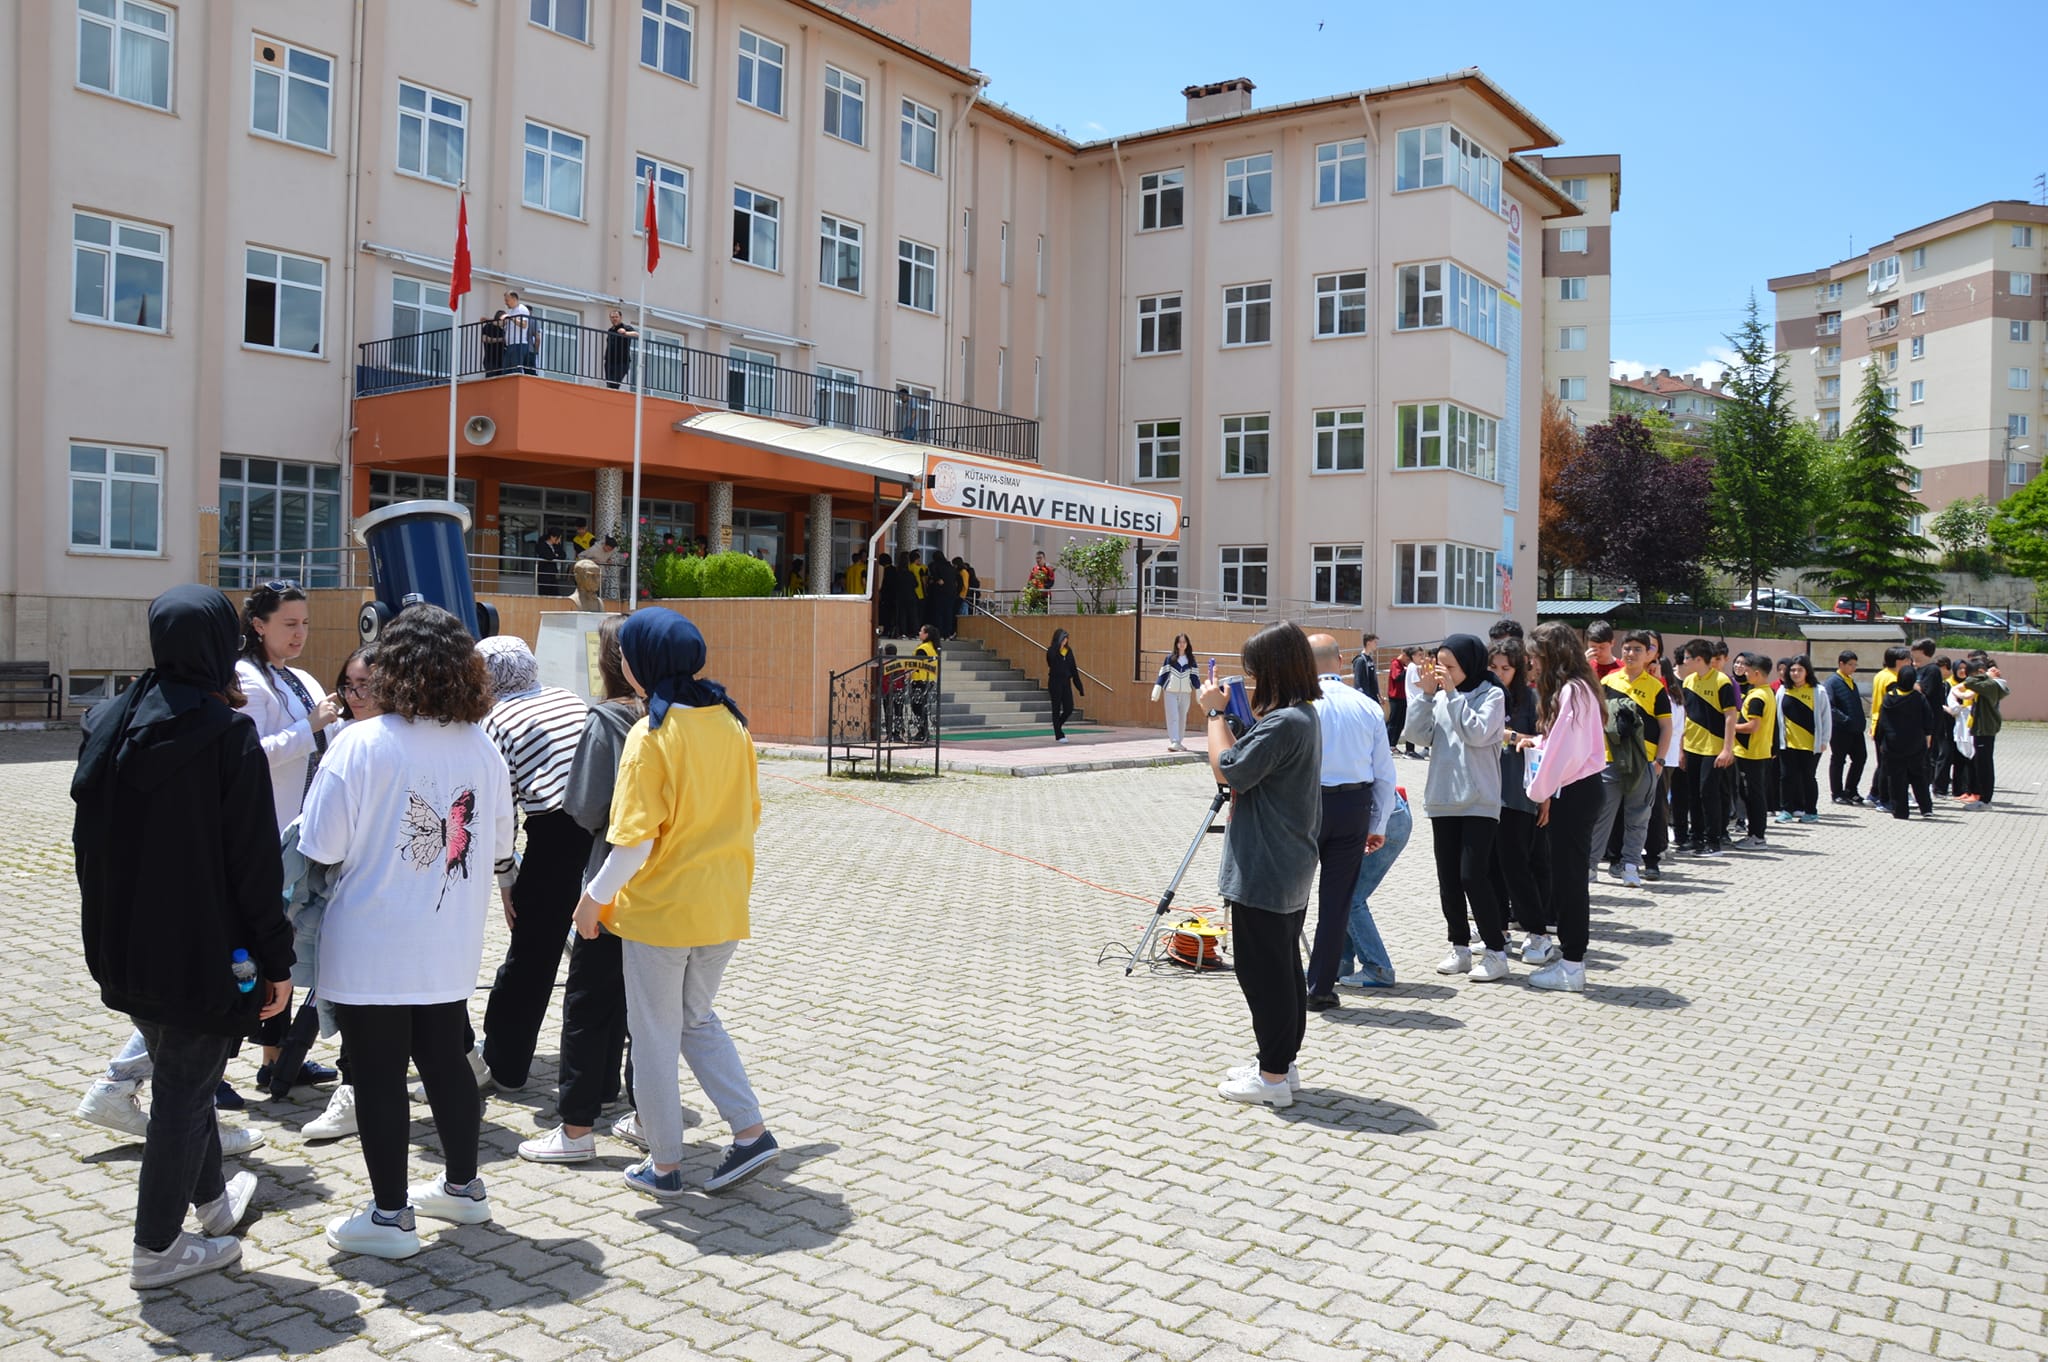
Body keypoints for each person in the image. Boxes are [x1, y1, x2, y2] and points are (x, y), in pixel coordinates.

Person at [74, 585, 295, 1288]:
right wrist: (277, 960)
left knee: (187, 1077)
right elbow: (255, 864)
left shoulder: (108, 719)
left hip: (125, 944)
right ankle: (157, 1250)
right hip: (206, 951)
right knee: (182, 1089)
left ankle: (214, 1206)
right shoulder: (226, 735)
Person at [300, 605, 516, 1260]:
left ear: (390, 668)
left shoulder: (360, 743)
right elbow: (502, 841)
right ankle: (463, 1188)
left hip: (373, 941)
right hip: (448, 942)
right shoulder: (482, 747)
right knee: (446, 1060)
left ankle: (391, 1217)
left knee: (380, 1072)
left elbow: (321, 842)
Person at [572, 610, 782, 1197]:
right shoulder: (731, 722)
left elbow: (634, 839)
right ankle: (750, 1132)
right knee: (694, 1020)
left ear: (640, 666)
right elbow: (751, 814)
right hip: (723, 903)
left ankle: (664, 1164)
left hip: (661, 912)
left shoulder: (652, 736)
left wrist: (592, 899)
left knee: (656, 1033)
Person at [522, 616, 646, 1163]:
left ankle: (577, 1124)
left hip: (610, 876)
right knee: (648, 1007)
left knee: (589, 999)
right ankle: (646, 1113)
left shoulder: (608, 721)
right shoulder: (685, 717)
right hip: (668, 885)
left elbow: (586, 806)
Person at [1195, 623, 1323, 1109]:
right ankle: (1280, 1064)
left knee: (1264, 973)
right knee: (1284, 967)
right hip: (1288, 861)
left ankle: (1271, 1078)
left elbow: (1229, 770)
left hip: (1266, 865)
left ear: (1272, 672)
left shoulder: (1286, 722)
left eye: (1253, 674)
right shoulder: (1302, 716)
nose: (1249, 684)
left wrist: (1212, 713)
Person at [234, 581, 341, 1100]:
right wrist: (310, 726)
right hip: (267, 834)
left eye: (305, 623)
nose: (300, 633)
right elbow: (249, 753)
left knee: (286, 948)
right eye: (289, 624)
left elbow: (331, 737)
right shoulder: (247, 679)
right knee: (258, 949)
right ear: (259, 625)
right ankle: (208, 1066)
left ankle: (276, 1060)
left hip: (304, 834)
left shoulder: (296, 675)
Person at [474, 636, 594, 1089]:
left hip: (554, 831)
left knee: (531, 955)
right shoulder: (566, 696)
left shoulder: (494, 720)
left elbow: (501, 813)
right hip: (602, 826)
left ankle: (504, 1063)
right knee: (595, 950)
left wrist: (506, 878)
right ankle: (596, 1067)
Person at [293, 645, 385, 1142]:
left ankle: (461, 1060)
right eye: (349, 686)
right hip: (348, 888)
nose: (357, 695)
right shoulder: (345, 736)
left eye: (367, 685)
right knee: (357, 1002)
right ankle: (352, 1089)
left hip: (386, 894)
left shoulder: (392, 738)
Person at [1403, 636, 1509, 982]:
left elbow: (1477, 734)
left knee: (1472, 876)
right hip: (1443, 798)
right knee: (1448, 879)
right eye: (1441, 665)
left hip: (1480, 800)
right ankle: (1460, 947)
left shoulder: (1491, 694)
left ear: (1470, 664)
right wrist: (1426, 695)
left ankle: (1495, 951)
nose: (1444, 672)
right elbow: (1418, 735)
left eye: (1451, 667)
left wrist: (1450, 694)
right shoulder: (1440, 696)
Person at [1302, 634, 1399, 1010]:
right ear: (1340, 661)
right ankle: (1320, 987)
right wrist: (1379, 822)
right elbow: (1385, 773)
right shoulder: (1367, 705)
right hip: (1355, 806)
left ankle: (1287, 976)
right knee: (1337, 900)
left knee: (1294, 895)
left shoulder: (1301, 705)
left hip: (1308, 805)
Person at [1520, 622, 1609, 992]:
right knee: (1569, 878)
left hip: (1573, 790)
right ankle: (1572, 960)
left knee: (1570, 880)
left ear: (1552, 654)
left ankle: (1572, 965)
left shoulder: (1572, 690)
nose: (1533, 664)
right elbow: (1561, 742)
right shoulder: (1582, 687)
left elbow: (1563, 751)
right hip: (1580, 788)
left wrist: (1538, 788)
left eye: (1537, 656)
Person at [1487, 639, 1551, 954]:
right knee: (1490, 866)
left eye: (1506, 668)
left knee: (1516, 865)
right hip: (1485, 796)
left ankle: (1538, 932)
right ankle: (1498, 929)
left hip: (1520, 794)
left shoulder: (1534, 700)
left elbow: (1545, 745)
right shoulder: (1483, 697)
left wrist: (1546, 796)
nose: (1500, 674)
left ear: (1521, 668)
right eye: (1493, 667)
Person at [1592, 629, 1669, 889]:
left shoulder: (1656, 688)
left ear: (1649, 654)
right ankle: (1590, 867)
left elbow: (1666, 728)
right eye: (1627, 648)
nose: (1631, 653)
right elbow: (1596, 721)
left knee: (1638, 818)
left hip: (1644, 763)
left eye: (1638, 649)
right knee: (1601, 816)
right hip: (1609, 760)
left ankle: (1630, 867)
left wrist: (1659, 761)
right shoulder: (1608, 683)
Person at [1675, 639, 1738, 857]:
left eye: (1686, 658)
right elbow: (1685, 716)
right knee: (1693, 794)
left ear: (1699, 659)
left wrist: (1727, 749)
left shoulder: (1722, 682)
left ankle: (1714, 842)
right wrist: (1681, 749)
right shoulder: (1688, 681)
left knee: (1708, 794)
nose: (1683, 662)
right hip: (1692, 746)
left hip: (1714, 748)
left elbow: (1731, 716)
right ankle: (1696, 839)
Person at [1875, 664, 1936, 819]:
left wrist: (1880, 740)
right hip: (1915, 745)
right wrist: (1928, 738)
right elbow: (1928, 720)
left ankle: (1900, 811)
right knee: (1918, 777)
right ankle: (1926, 808)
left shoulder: (1889, 698)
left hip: (1893, 745)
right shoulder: (1918, 698)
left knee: (1896, 779)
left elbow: (1882, 722)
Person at [1773, 656, 1829, 825]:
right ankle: (1786, 811)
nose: (1795, 673)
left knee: (1808, 778)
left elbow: (1826, 718)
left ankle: (1811, 811)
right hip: (1787, 744)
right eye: (1792, 670)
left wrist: (1824, 740)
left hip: (1811, 745)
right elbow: (1777, 717)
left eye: (1799, 670)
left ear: (1807, 671)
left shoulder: (1818, 691)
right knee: (1786, 777)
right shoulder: (1783, 691)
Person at [1730, 654, 1777, 849]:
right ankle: (1754, 834)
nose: (1745, 673)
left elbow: (1753, 726)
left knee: (1753, 796)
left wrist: (1731, 726)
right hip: (1758, 751)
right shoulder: (1765, 692)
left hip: (1751, 753)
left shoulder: (1758, 696)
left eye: (1748, 671)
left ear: (1757, 673)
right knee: (1752, 794)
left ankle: (1757, 836)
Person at [1959, 654, 2007, 807]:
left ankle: (1985, 799)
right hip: (1984, 727)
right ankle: (1983, 798)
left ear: (1980, 672)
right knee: (1982, 763)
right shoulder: (1989, 684)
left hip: (1984, 728)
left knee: (1984, 765)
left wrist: (1985, 675)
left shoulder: (1988, 685)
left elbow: (1968, 682)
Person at [1866, 645, 1909, 812]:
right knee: (1887, 765)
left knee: (1883, 763)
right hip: (1887, 725)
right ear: (1898, 661)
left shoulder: (1881, 674)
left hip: (1877, 722)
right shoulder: (1893, 679)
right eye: (1907, 660)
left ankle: (1874, 794)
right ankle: (1885, 800)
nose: (1909, 663)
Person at [1826, 650, 1867, 805]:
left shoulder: (1851, 682)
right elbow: (1830, 707)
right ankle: (1836, 793)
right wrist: (1845, 719)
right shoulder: (1833, 682)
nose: (1853, 668)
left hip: (1856, 730)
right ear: (1841, 664)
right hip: (1840, 730)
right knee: (1838, 760)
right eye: (1850, 665)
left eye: (1855, 665)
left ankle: (1851, 790)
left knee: (1860, 758)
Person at [1156, 634, 1200, 751]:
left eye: (1184, 642)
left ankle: (1179, 741)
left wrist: (1198, 690)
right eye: (1179, 642)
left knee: (1182, 717)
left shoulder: (1191, 660)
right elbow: (1163, 674)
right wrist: (1158, 686)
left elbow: (1195, 677)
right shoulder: (1170, 658)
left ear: (1187, 644)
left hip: (1185, 693)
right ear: (1176, 644)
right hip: (1170, 691)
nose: (1182, 644)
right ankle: (1174, 741)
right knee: (1173, 716)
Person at [1045, 628, 1084, 743]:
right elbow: (1051, 662)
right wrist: (1058, 648)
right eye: (1063, 638)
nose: (1065, 641)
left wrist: (1079, 686)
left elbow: (1073, 668)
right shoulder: (1051, 650)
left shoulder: (1068, 651)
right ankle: (1059, 734)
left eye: (1066, 638)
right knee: (1056, 708)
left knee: (1069, 707)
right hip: (1055, 682)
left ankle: (1057, 725)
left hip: (1066, 682)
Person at [909, 624, 940, 740]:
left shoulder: (923, 648)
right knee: (922, 707)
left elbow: (916, 665)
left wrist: (908, 673)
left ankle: (922, 732)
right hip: (929, 680)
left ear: (927, 634)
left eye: (921, 631)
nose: (919, 633)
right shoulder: (933, 647)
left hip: (920, 680)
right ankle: (923, 731)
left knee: (917, 707)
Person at [1383, 645, 1409, 758]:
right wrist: (1406, 671)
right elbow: (1397, 677)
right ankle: (1387, 745)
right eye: (1407, 659)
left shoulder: (1403, 665)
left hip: (1403, 697)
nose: (1408, 662)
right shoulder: (1395, 664)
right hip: (1395, 697)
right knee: (1393, 722)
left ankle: (1393, 744)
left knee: (1401, 722)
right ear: (1403, 655)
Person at [501, 291, 535, 374]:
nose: (506, 303)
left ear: (514, 298)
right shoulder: (511, 311)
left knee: (515, 370)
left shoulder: (522, 309)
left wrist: (511, 318)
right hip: (510, 345)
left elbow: (524, 324)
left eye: (507, 300)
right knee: (506, 371)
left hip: (518, 344)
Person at [602, 309, 638, 389]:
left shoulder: (626, 327)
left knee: (615, 383)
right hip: (610, 361)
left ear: (620, 317)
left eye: (616, 317)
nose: (614, 319)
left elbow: (636, 334)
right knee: (609, 383)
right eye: (612, 317)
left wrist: (625, 333)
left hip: (622, 362)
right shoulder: (610, 330)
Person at [535, 528, 569, 598]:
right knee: (544, 595)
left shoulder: (556, 546)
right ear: (552, 537)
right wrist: (555, 555)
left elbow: (563, 555)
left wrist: (555, 555)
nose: (559, 541)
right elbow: (548, 556)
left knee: (554, 594)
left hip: (552, 574)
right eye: (558, 538)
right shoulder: (542, 545)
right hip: (544, 574)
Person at [1351, 633, 1380, 704]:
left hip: (1373, 697)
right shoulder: (1360, 660)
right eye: (1375, 642)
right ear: (1368, 643)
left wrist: (1378, 693)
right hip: (1366, 698)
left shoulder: (1370, 659)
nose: (1376, 644)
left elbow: (1373, 679)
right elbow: (1358, 681)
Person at [480, 309, 507, 376]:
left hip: (501, 361)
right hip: (491, 360)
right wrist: (501, 339)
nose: (506, 322)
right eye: (505, 320)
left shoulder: (502, 331)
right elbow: (484, 339)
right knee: (491, 380)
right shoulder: (488, 327)